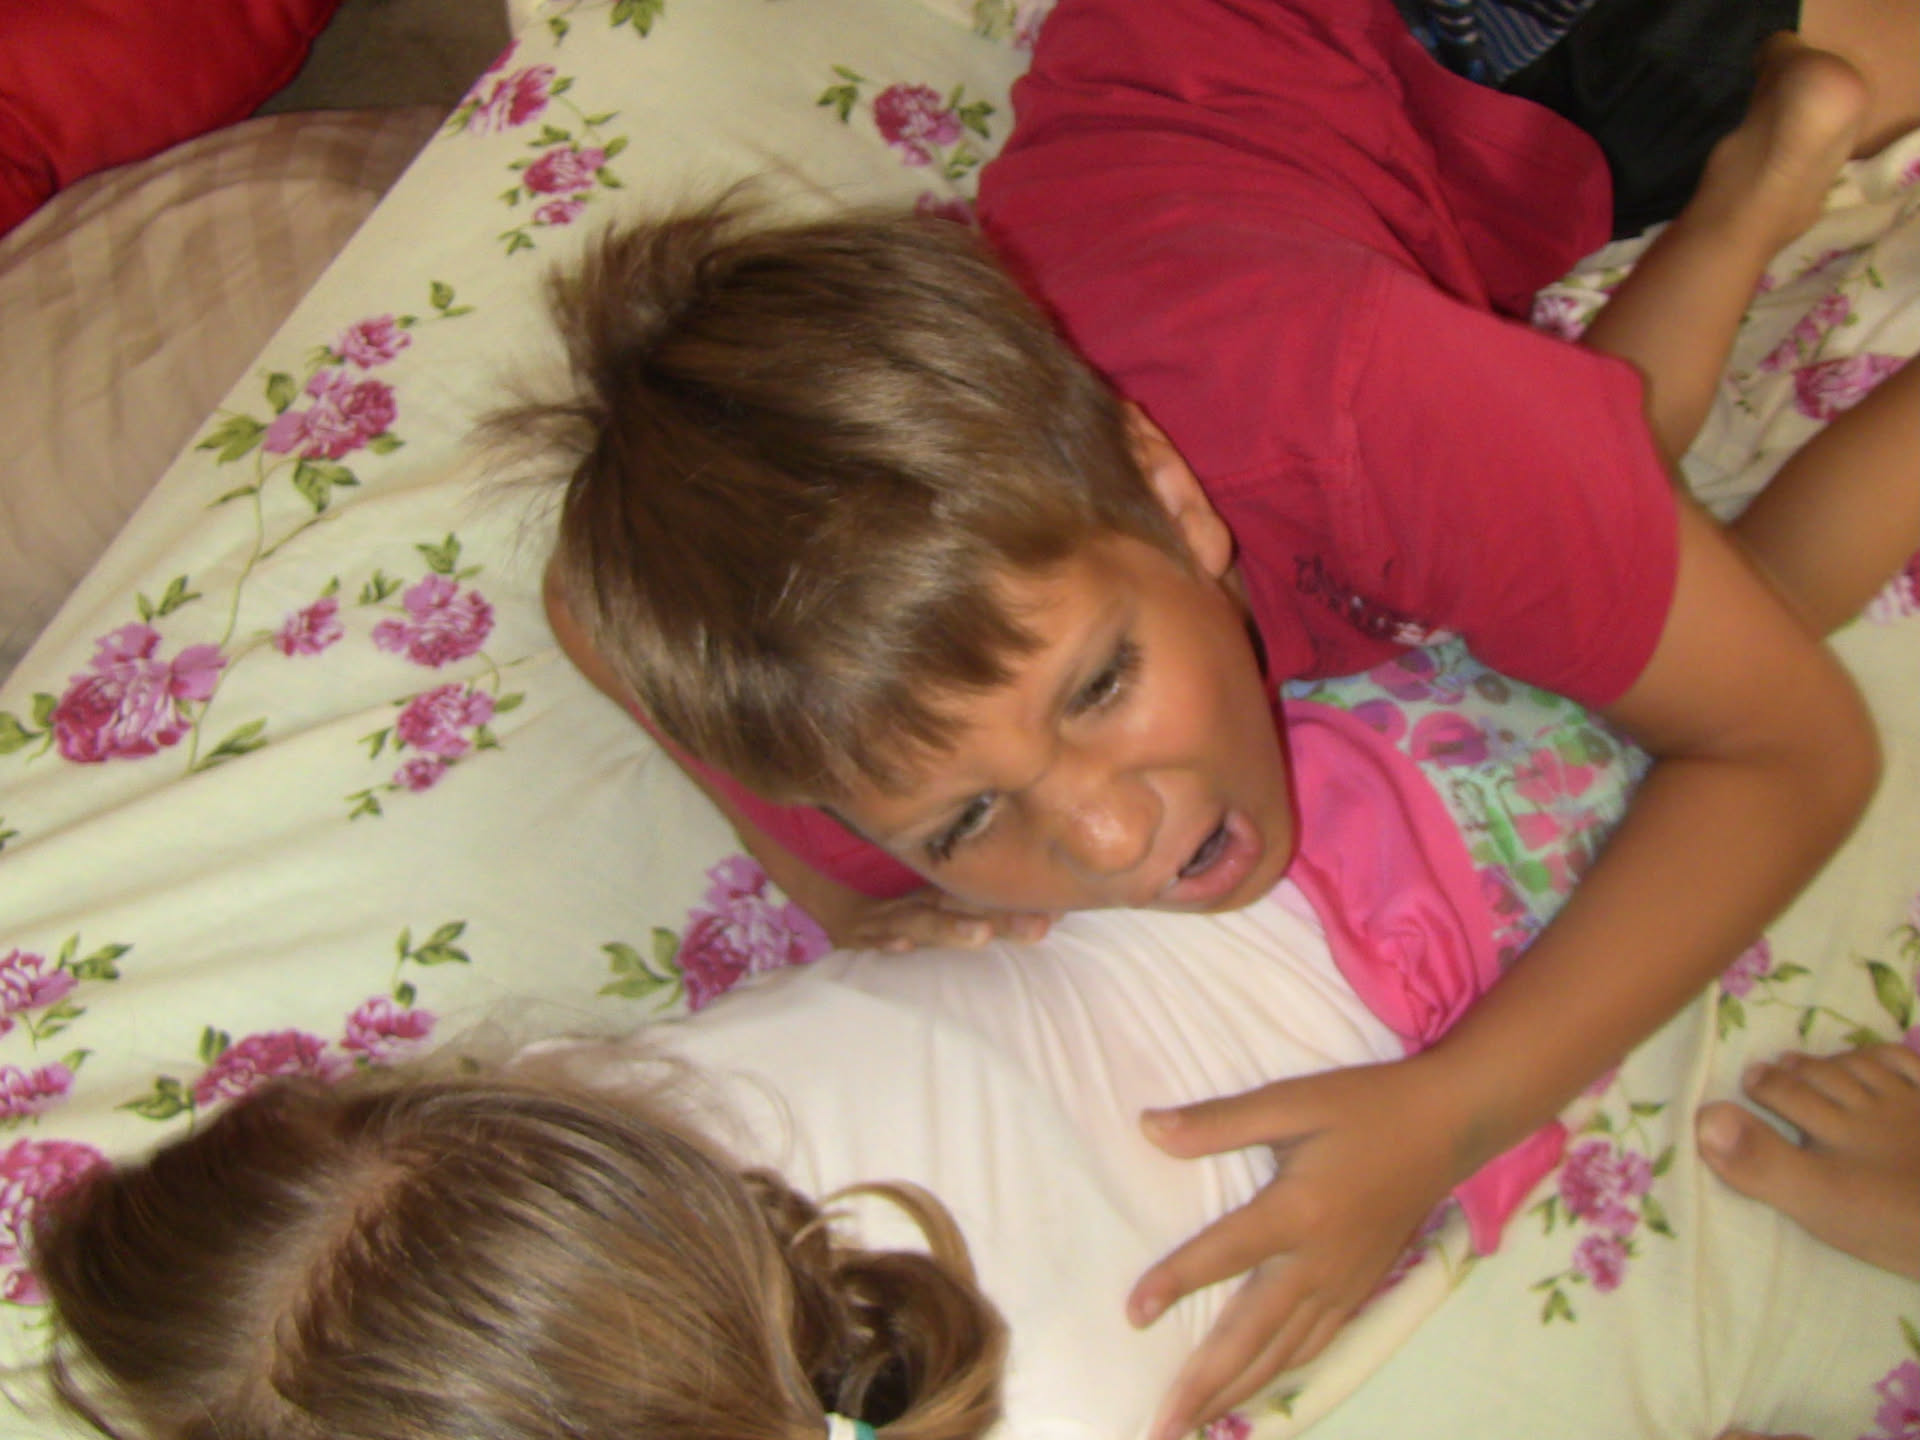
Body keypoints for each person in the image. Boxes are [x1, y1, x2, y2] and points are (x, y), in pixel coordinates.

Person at [524, 0, 1918, 1432]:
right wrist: (842, 896)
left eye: (1100, 686)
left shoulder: (1356, 417)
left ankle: (1755, 160)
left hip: (1439, 45)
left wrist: (1450, 1115)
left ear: (1172, 497)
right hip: (1326, 289)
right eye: (967, 818)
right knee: (1555, 512)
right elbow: (585, 605)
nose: (1109, 834)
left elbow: (1794, 752)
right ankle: (1761, 180)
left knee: (1603, 521)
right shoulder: (859, 731)